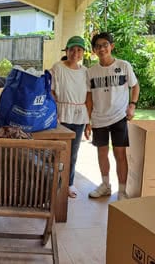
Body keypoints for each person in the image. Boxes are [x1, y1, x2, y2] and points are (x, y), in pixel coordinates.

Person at [84, 32, 140, 200]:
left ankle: (122, 191)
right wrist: (88, 121)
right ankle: (105, 185)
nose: (102, 49)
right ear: (94, 50)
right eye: (98, 46)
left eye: (105, 45)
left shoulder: (124, 66)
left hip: (119, 117)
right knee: (101, 152)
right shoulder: (91, 72)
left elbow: (135, 86)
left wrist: (132, 105)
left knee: (119, 153)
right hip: (99, 118)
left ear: (111, 46)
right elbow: (88, 98)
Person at [49, 36, 89, 198]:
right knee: (56, 151)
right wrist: (55, 112)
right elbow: (51, 91)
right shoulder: (58, 67)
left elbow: (89, 96)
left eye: (79, 50)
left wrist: (89, 122)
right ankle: (52, 182)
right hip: (61, 114)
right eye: (72, 49)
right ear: (66, 50)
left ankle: (68, 184)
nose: (75, 53)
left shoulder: (85, 72)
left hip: (79, 116)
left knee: (73, 152)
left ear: (83, 53)